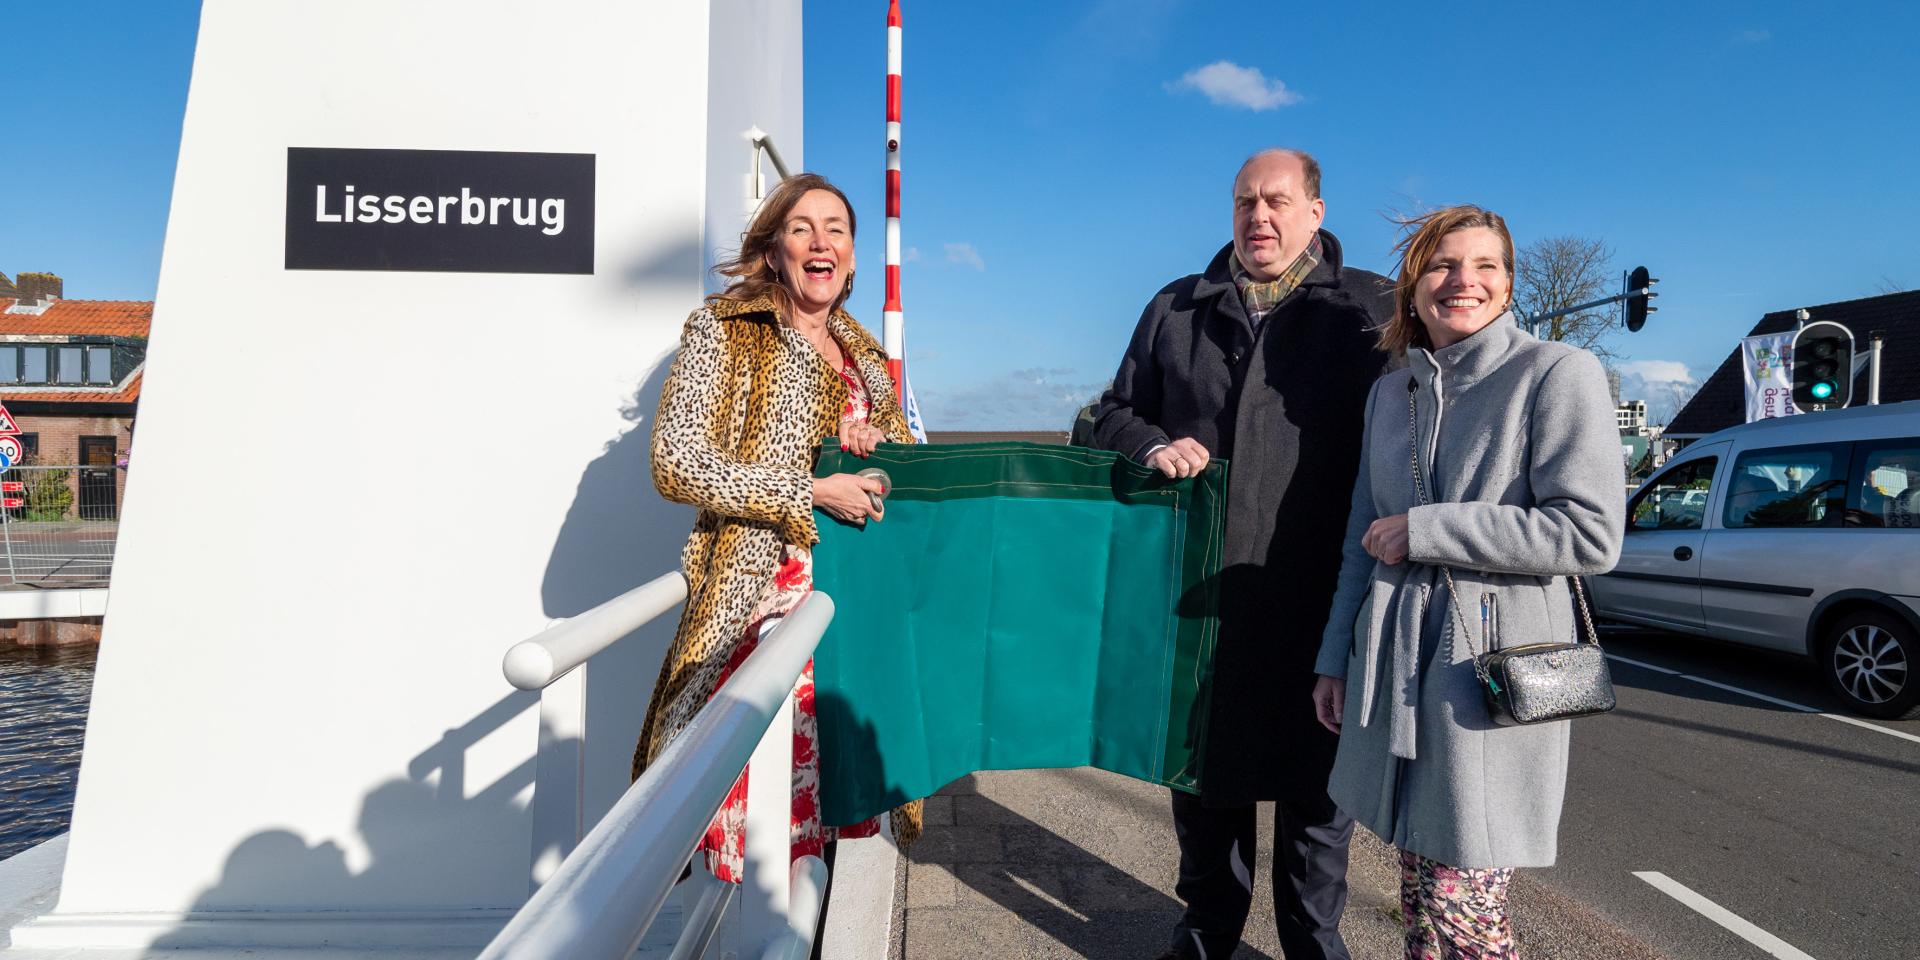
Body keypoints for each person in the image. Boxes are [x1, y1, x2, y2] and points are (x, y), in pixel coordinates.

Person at [1094, 148, 1394, 960]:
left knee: (1318, 806)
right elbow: (1110, 413)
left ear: (1316, 213)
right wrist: (1151, 443)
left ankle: (1314, 945)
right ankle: (1205, 937)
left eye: (1276, 201)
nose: (1258, 216)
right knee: (1206, 792)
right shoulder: (1176, 308)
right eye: (1244, 202)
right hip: (1203, 599)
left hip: (1321, 599)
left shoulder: (1370, 309)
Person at [1310, 205, 1624, 958]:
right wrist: (1334, 659)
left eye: (1486, 265)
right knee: (1421, 899)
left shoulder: (1557, 373)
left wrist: (1429, 529)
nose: (1464, 281)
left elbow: (1589, 534)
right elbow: (1361, 538)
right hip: (1396, 671)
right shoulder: (1392, 394)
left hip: (1483, 674)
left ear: (1509, 284)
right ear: (1414, 285)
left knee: (1464, 910)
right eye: (1443, 265)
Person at [632, 172, 921, 882]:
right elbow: (675, 461)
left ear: (851, 257)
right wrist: (809, 489)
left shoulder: (863, 354)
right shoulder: (727, 331)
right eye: (801, 228)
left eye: (836, 230)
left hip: (854, 610)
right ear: (773, 252)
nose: (821, 242)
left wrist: (874, 449)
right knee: (761, 831)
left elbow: (900, 469)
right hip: (762, 608)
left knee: (836, 839)